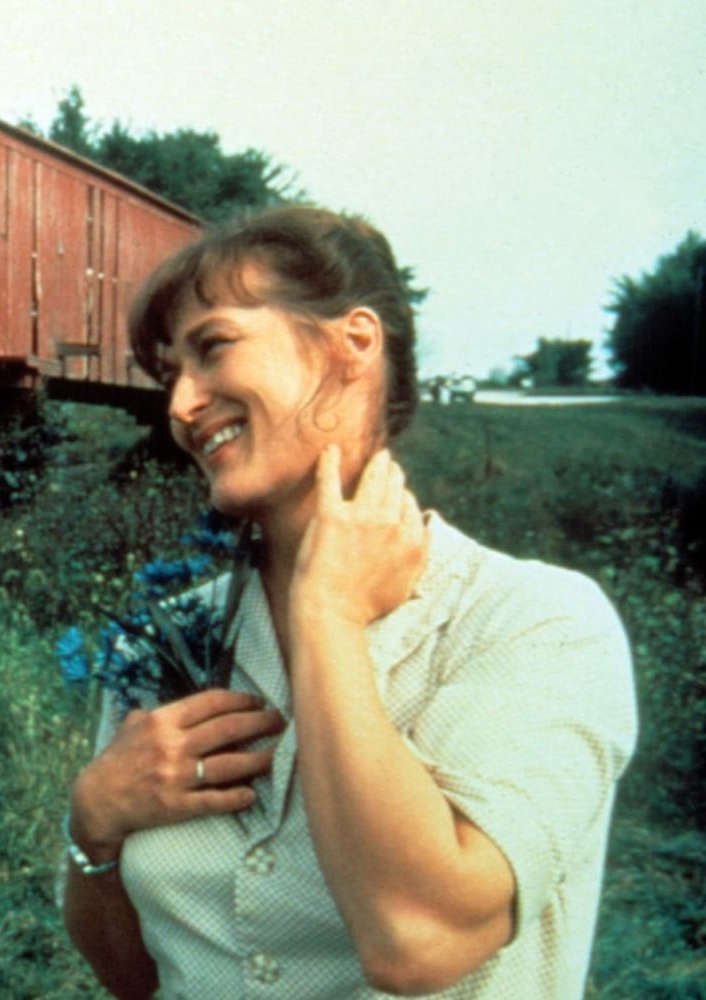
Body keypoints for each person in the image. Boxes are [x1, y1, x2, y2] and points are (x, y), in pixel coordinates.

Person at [60, 206, 635, 998]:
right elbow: (132, 978)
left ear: (353, 344)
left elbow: (417, 941)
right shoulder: (166, 641)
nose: (181, 407)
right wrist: (92, 824)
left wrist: (326, 615)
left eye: (213, 348)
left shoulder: (538, 622)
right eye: (169, 376)